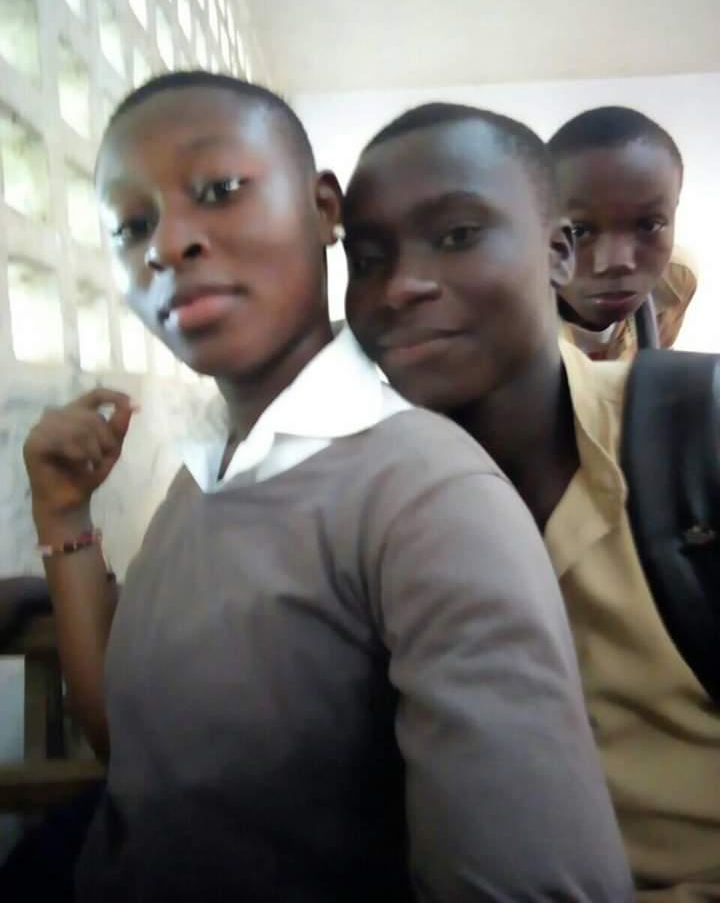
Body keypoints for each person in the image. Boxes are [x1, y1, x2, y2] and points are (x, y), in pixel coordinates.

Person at [21, 73, 631, 903]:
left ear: (322, 211)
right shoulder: (207, 472)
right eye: (133, 227)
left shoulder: (427, 497)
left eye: (219, 190)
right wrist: (62, 512)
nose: (168, 245)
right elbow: (137, 751)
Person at [342, 102, 720, 902]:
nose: (402, 285)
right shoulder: (346, 505)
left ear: (555, 253)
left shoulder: (701, 432)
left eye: (457, 235)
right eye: (368, 257)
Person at [547, 105, 696, 359]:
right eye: (578, 230)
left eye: (648, 225)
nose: (616, 262)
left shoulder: (675, 282)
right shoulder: (501, 313)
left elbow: (656, 363)